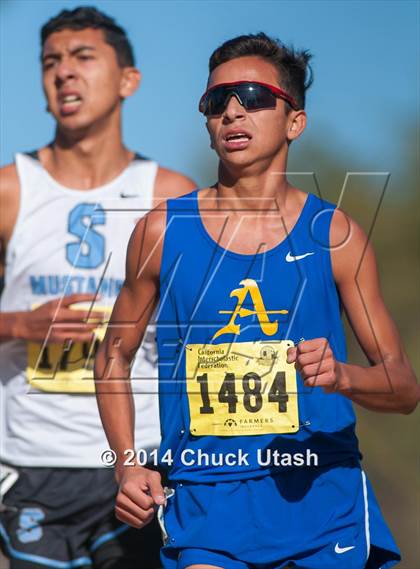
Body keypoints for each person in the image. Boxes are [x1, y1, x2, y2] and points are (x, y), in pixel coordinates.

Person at [94, 33, 419, 569]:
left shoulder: (334, 235)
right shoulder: (159, 231)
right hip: (205, 500)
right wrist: (128, 465)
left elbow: (403, 387)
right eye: (216, 101)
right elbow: (112, 358)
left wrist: (341, 376)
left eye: (253, 95)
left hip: (322, 501)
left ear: (295, 121)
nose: (233, 111)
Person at [0, 6, 195, 569]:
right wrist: (18, 324)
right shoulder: (13, 190)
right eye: (51, 62)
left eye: (83, 57)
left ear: (128, 80)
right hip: (32, 467)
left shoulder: (168, 193)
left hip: (139, 463)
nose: (64, 72)